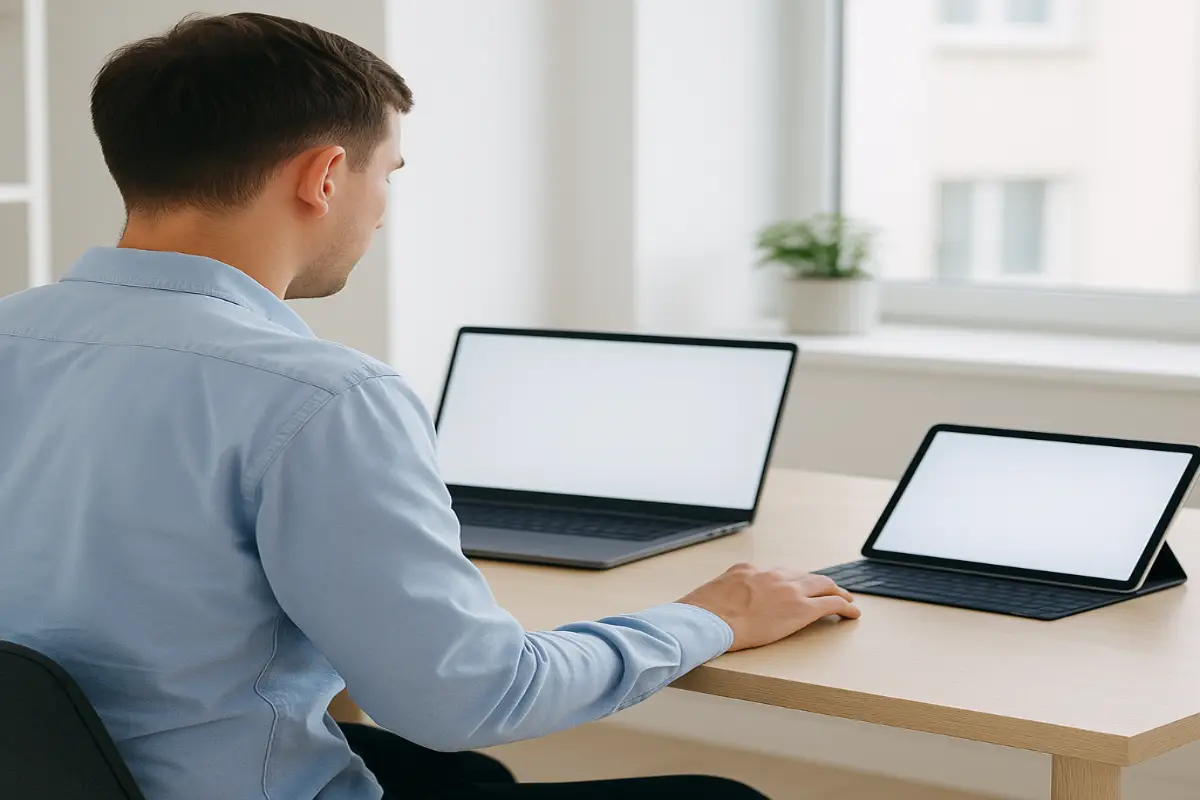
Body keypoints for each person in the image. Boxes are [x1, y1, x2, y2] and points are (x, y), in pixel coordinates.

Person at [0, 12, 860, 800]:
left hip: (59, 771)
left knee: (464, 776)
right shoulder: (319, 396)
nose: (381, 212)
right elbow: (470, 699)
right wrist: (711, 617)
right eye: (388, 175)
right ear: (326, 176)